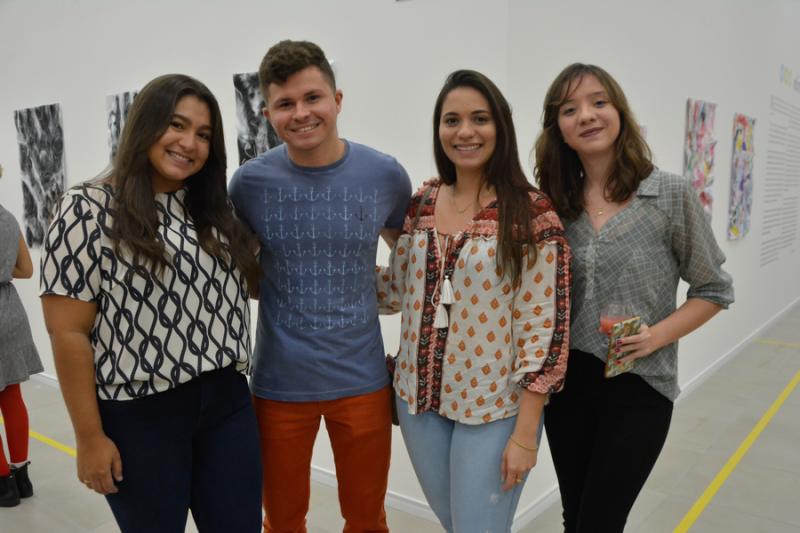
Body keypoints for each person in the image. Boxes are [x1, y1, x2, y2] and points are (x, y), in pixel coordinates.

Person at [39, 74, 263, 533]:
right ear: (144, 125)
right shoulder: (87, 208)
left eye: (203, 134)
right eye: (176, 125)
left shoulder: (213, 208)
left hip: (227, 401)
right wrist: (89, 438)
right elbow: (68, 332)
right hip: (140, 413)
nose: (189, 143)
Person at [534, 63, 734, 533]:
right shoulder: (554, 204)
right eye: (570, 109)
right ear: (558, 128)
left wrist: (655, 336)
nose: (586, 115)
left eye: (598, 102)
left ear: (619, 111)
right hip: (567, 386)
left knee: (600, 521)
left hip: (640, 385)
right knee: (574, 516)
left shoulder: (668, 195)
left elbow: (713, 289)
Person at [228, 40, 412, 533]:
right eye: (285, 103)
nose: (301, 113)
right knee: (283, 520)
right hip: (278, 383)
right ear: (268, 114)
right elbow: (241, 274)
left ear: (338, 99)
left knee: (367, 519)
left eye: (313, 98)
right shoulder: (248, 184)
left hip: (363, 380)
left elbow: (412, 262)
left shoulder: (385, 175)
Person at [377, 70, 571, 533]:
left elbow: (543, 328)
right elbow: (397, 290)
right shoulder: (423, 200)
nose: (465, 131)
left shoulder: (532, 212)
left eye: (479, 119)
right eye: (452, 120)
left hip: (493, 407)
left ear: (500, 127)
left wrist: (525, 436)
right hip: (418, 402)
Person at [0, 163, 44, 507]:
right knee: (12, 395)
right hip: (10, 312)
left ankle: (4, 486)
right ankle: (22, 478)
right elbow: (26, 270)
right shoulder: (8, 218)